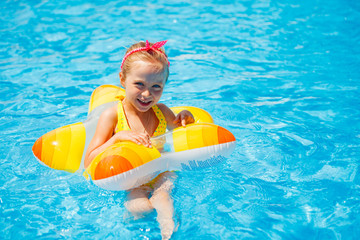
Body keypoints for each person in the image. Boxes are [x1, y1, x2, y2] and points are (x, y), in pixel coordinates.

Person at [84, 40, 194, 239]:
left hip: (160, 171)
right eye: (139, 84)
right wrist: (117, 138)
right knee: (139, 206)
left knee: (163, 197)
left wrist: (186, 116)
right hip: (131, 178)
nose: (146, 94)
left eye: (156, 86)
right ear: (122, 79)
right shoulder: (113, 116)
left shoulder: (161, 112)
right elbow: (88, 160)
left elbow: (182, 129)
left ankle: (168, 233)